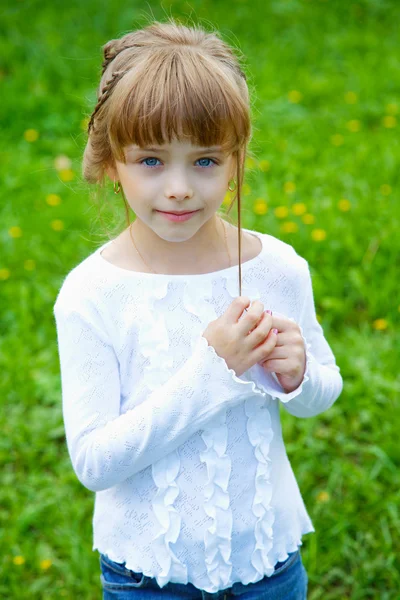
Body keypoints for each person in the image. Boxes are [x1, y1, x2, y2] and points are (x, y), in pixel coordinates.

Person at [53, 17, 343, 600]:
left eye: (205, 161)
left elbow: (323, 393)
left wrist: (298, 374)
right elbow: (93, 461)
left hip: (266, 560)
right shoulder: (92, 294)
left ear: (237, 159)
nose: (180, 187)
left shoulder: (277, 267)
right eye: (152, 161)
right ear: (113, 162)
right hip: (148, 575)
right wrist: (212, 369)